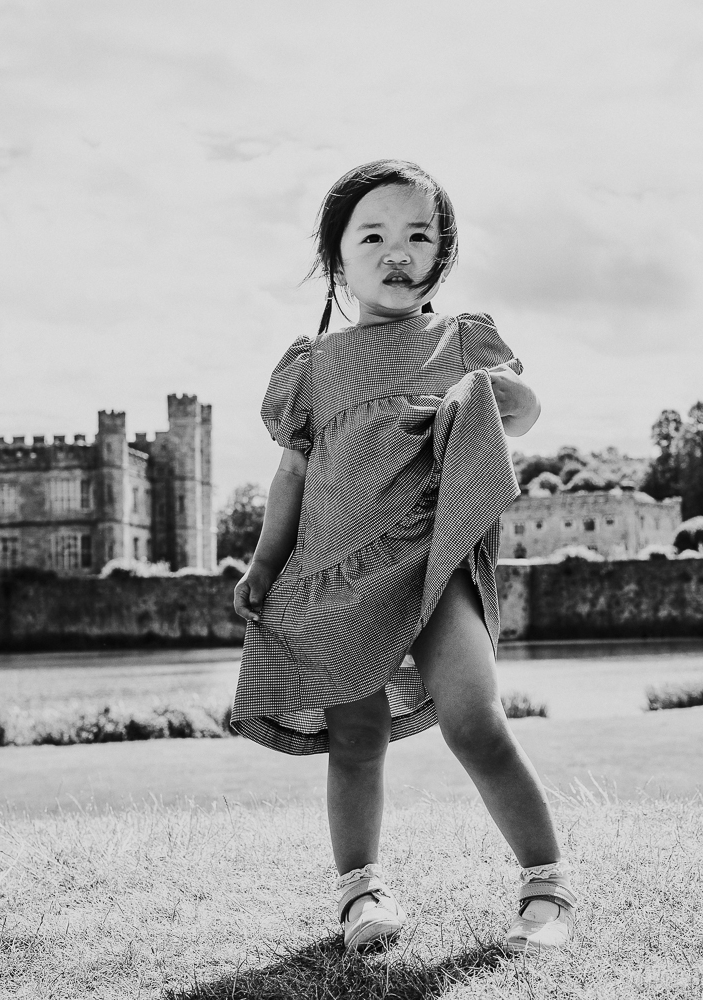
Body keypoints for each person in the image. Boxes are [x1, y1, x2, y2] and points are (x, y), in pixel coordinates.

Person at [231, 160, 573, 955]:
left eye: (418, 236)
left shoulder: (462, 341)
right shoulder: (312, 368)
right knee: (356, 740)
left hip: (435, 567)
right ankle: (362, 895)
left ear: (441, 254)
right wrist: (261, 564)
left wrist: (505, 394)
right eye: (373, 235)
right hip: (337, 575)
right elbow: (292, 474)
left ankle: (547, 886)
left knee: (476, 723)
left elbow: (518, 416)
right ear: (338, 257)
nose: (398, 251)